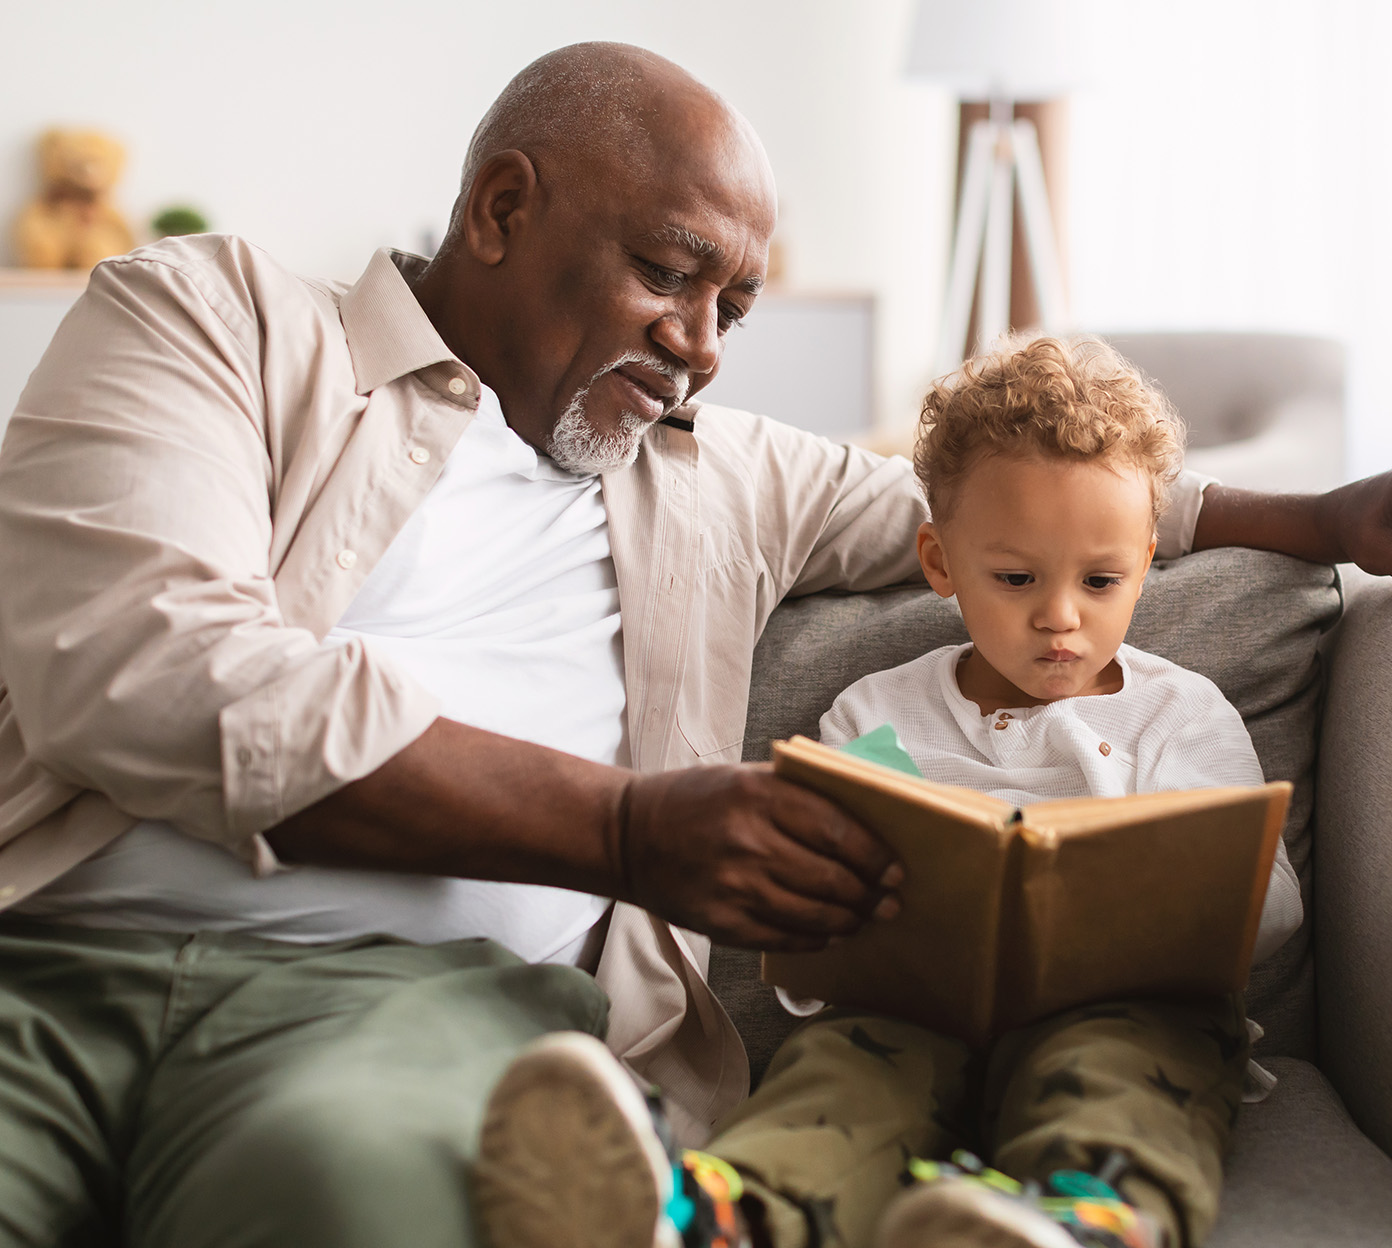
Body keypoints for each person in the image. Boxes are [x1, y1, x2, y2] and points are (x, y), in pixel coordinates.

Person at [0, 39, 1387, 1248]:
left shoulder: (721, 472)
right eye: (671, 276)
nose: (704, 347)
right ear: (500, 209)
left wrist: (1318, 514)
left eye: (734, 308)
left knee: (349, 1197)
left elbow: (1007, 504)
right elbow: (141, 665)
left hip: (401, 1013)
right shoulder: (214, 319)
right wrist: (622, 829)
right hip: (46, 959)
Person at [470, 336, 1304, 1248]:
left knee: (1127, 1077)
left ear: (1146, 562)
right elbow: (816, 917)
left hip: (1127, 1014)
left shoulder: (1177, 713)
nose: (1061, 617)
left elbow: (1269, 911)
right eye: (1016, 579)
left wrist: (1153, 897)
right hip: (914, 1015)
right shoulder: (878, 714)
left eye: (1101, 582)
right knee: (842, 1080)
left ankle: (1081, 1227)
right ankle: (712, 1217)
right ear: (941, 564)